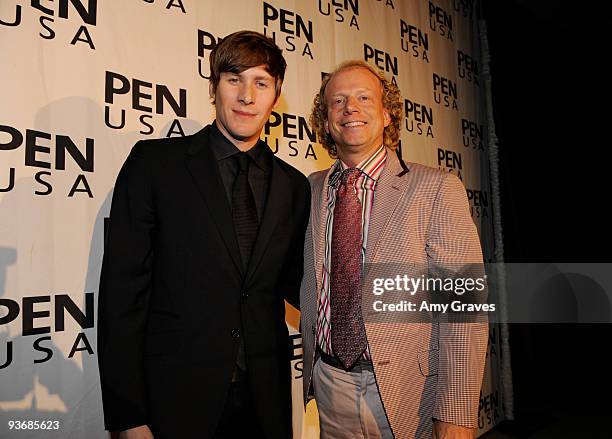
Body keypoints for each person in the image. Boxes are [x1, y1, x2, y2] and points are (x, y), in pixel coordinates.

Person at [98, 30, 309, 439]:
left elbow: (300, 285)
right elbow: (122, 296)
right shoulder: (156, 165)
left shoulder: (295, 186)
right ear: (213, 88)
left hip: (265, 403)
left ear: (275, 94)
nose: (247, 96)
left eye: (261, 82)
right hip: (175, 401)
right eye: (234, 79)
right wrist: (128, 415)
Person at [300, 60, 488, 439]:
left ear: (387, 114)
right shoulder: (310, 189)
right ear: (326, 120)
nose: (350, 108)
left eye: (364, 97)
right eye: (338, 101)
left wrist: (456, 414)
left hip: (406, 393)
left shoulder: (436, 187)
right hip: (329, 384)